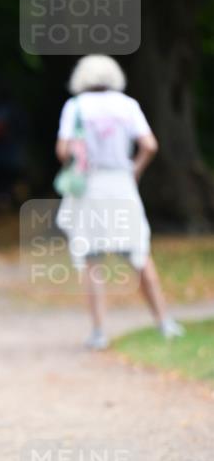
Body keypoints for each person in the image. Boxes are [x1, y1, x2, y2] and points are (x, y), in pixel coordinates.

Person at [55, 54, 185, 350]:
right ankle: (164, 321)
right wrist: (134, 170)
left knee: (92, 260)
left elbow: (63, 151)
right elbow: (149, 145)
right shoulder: (128, 105)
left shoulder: (75, 107)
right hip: (121, 184)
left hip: (89, 187)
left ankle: (99, 331)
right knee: (139, 253)